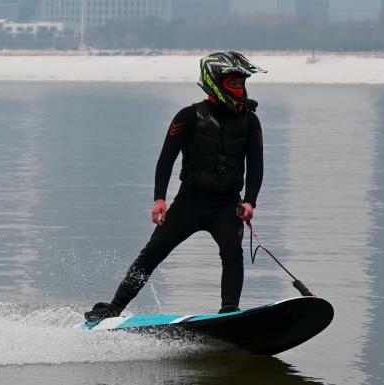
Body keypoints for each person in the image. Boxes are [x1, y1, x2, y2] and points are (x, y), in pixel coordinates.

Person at [85, 51, 266, 321]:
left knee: (232, 253)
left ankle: (229, 312)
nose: (240, 89)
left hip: (228, 205)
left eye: (242, 84)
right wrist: (159, 199)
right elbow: (166, 159)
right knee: (151, 254)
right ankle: (114, 308)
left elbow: (256, 165)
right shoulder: (189, 116)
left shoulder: (250, 121)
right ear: (215, 81)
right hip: (189, 202)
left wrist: (250, 201)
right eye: (234, 84)